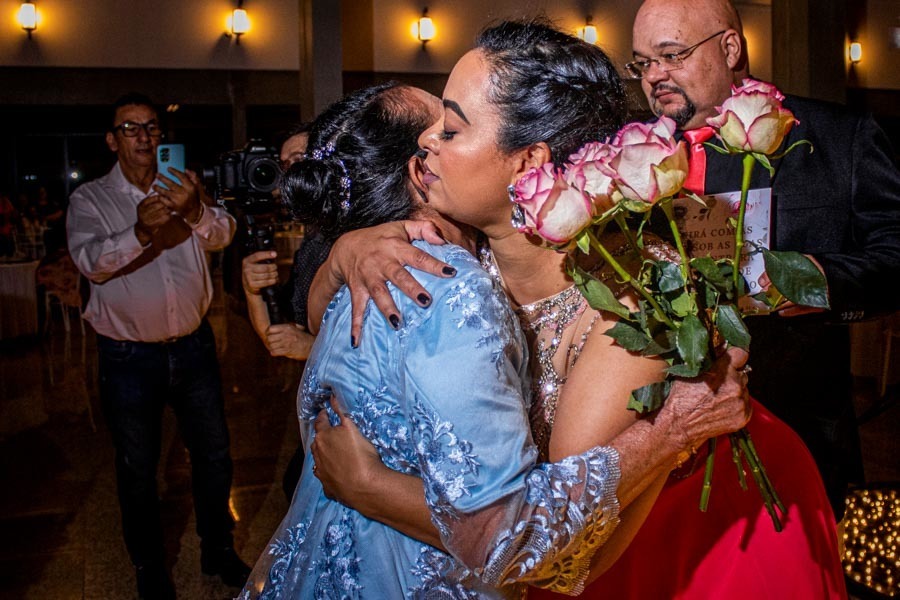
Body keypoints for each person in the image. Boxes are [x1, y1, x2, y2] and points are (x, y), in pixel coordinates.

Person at [308, 20, 846, 599]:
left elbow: (568, 562)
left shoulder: (629, 310)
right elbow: (331, 326)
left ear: (528, 162)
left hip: (698, 547)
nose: (426, 140)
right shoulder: (457, 240)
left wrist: (371, 486)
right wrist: (346, 253)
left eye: (452, 127)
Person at [240, 79, 751, 599]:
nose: (449, 138)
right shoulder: (450, 289)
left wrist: (343, 251)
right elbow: (518, 541)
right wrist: (670, 431)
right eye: (446, 128)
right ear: (424, 169)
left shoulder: (366, 275)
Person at [628, 0, 900, 520]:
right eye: (642, 62)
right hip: (659, 450)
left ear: (729, 47)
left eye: (671, 55)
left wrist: (828, 280)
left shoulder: (838, 138)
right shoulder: (629, 155)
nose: (654, 76)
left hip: (794, 434)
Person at [66, 93, 250, 599]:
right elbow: (91, 262)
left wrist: (195, 213)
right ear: (112, 140)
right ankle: (150, 570)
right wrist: (140, 231)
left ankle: (218, 550)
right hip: (128, 357)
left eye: (150, 128)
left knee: (214, 456)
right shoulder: (92, 201)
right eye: (131, 128)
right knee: (137, 469)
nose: (144, 137)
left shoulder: (183, 186)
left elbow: (224, 234)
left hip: (193, 347)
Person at [241, 123, 331, 500]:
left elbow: (391, 350)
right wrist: (251, 289)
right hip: (325, 414)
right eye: (283, 164)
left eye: (298, 160)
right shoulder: (314, 243)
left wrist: (310, 347)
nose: (287, 175)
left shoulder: (362, 236)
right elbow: (280, 338)